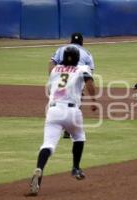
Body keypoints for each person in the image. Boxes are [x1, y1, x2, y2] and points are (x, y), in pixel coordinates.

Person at [28, 46, 97, 196]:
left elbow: (51, 65)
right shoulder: (82, 68)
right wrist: (94, 99)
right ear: (77, 58)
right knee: (79, 137)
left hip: (53, 111)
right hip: (72, 111)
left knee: (48, 145)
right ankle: (75, 168)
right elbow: (89, 82)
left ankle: (39, 169)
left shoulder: (54, 70)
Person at [49, 32, 95, 138]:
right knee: (76, 100)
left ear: (71, 41)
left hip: (61, 76)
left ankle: (60, 126)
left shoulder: (62, 49)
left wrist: (52, 78)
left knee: (59, 100)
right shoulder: (87, 53)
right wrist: (83, 84)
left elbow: (52, 63)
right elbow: (90, 71)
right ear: (82, 42)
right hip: (78, 76)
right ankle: (69, 127)